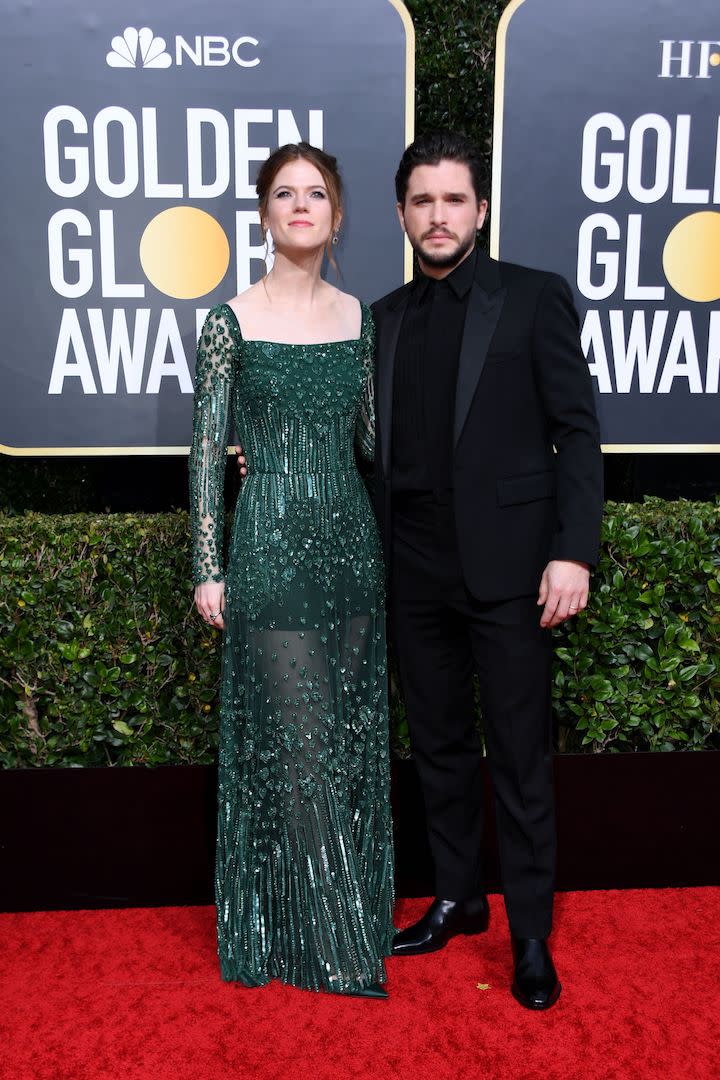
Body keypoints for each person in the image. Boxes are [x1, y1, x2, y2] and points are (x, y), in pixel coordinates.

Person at [372, 130, 603, 1009]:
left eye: (453, 199)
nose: (438, 215)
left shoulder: (534, 299)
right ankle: (461, 899)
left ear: (480, 210)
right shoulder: (382, 320)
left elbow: (577, 431)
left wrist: (572, 549)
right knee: (435, 746)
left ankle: (533, 934)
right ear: (402, 214)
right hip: (413, 567)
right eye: (422, 200)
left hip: (511, 571)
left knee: (517, 756)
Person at [188, 142, 394, 998]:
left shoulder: (362, 317)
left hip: (350, 538)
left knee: (344, 740)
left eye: (316, 194)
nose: (301, 206)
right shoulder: (228, 321)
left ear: (337, 215)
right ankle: (333, 936)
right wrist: (208, 564)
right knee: (300, 742)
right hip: (268, 539)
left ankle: (310, 913)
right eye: (285, 193)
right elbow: (205, 451)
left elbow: (374, 444)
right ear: (265, 213)